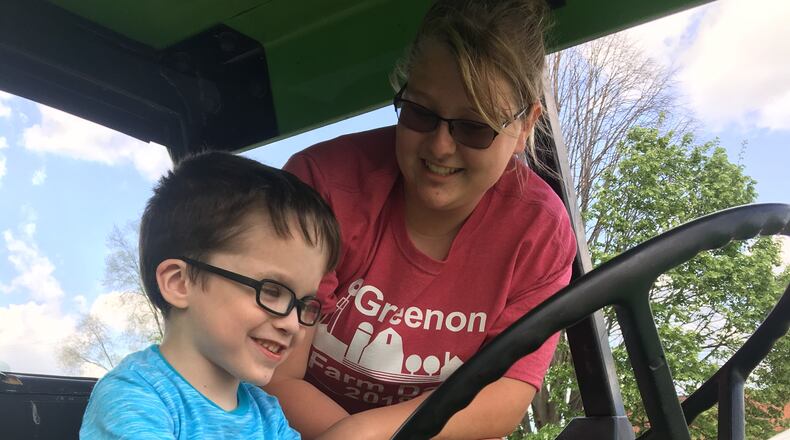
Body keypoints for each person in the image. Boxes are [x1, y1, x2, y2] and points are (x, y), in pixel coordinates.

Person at [265, 0, 578, 438]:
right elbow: (276, 375)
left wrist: (371, 434)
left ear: (525, 125)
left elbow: (506, 393)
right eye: (420, 113)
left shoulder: (538, 232)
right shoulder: (322, 186)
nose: (440, 147)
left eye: (474, 126)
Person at [80, 152, 341, 439]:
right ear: (179, 282)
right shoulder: (135, 398)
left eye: (304, 304)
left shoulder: (268, 415)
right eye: (271, 291)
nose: (293, 324)